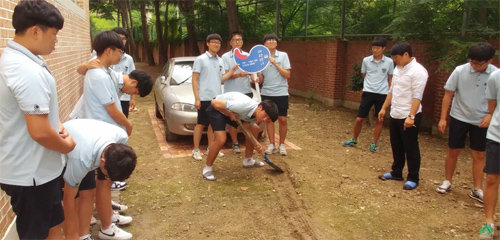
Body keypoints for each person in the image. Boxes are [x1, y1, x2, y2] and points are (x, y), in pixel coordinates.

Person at [0, 1, 76, 239]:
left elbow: (38, 119)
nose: (56, 41)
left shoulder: (23, 61)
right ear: (35, 30)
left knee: (54, 223)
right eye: (53, 34)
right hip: (31, 174)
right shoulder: (25, 69)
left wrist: (58, 126)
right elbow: (40, 132)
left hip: (39, 169)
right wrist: (68, 146)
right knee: (36, 232)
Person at [435, 42, 497, 204]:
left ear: (490, 61)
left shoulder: (496, 75)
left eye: (478, 63)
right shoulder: (460, 71)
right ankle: (447, 181)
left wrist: (491, 115)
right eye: (472, 62)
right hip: (459, 117)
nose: (474, 65)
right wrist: (443, 118)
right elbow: (448, 94)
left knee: (479, 154)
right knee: (453, 150)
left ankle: (477, 188)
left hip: (481, 120)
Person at [61, 119, 136, 240]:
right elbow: (67, 199)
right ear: (102, 162)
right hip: (63, 154)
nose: (108, 179)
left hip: (89, 139)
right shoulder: (81, 161)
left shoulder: (121, 137)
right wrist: (71, 236)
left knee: (89, 191)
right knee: (74, 198)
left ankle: (84, 236)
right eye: (107, 176)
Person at [377, 42, 428, 190]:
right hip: (395, 113)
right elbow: (391, 90)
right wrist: (383, 108)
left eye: (397, 58)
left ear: (406, 54)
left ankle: (413, 177)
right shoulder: (398, 69)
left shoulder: (419, 71)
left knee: (410, 146)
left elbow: (417, 96)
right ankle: (397, 171)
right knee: (396, 144)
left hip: (409, 114)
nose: (395, 61)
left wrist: (411, 116)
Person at [202, 92, 279, 180]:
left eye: (268, 119)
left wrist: (256, 144)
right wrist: (229, 113)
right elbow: (214, 102)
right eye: (265, 116)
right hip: (218, 109)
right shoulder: (243, 106)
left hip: (234, 113)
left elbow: (245, 128)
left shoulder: (255, 114)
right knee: (221, 139)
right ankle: (207, 168)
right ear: (260, 108)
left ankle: (248, 160)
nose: (264, 119)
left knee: (255, 128)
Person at [343, 37, 394, 152]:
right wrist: (369, 85)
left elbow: (390, 78)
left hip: (382, 93)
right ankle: (354, 139)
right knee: (359, 118)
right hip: (368, 92)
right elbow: (364, 74)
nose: (375, 50)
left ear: (383, 49)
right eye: (373, 48)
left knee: (379, 119)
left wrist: (389, 93)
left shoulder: (389, 62)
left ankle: (374, 143)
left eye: (378, 48)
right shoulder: (366, 60)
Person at [191, 33, 234, 160]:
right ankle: (196, 149)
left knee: (212, 125)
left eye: (218, 43)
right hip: (204, 97)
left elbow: (222, 79)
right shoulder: (200, 59)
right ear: (207, 43)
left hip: (216, 99)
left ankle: (211, 147)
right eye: (213, 42)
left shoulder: (220, 60)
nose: (216, 44)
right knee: (200, 124)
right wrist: (197, 98)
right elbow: (194, 80)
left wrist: (232, 71)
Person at [256, 33, 292, 156]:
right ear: (264, 44)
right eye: (268, 40)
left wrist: (275, 63)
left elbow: (287, 75)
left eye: (273, 40)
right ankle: (271, 144)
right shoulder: (261, 58)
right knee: (269, 119)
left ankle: (281, 144)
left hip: (281, 92)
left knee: (282, 119)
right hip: (266, 92)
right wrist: (257, 78)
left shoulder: (283, 56)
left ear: (277, 43)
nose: (271, 42)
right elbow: (261, 78)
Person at [221, 31, 255, 154]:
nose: (237, 42)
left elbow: (253, 72)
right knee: (233, 120)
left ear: (242, 42)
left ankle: (248, 142)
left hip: (246, 91)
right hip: (231, 93)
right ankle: (235, 143)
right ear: (230, 43)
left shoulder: (247, 55)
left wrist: (253, 77)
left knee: (247, 120)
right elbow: (224, 75)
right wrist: (238, 74)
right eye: (235, 40)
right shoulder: (225, 57)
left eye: (239, 40)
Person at [478, 69, 500, 240]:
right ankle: (488, 222)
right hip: (497, 135)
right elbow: (492, 105)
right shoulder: (496, 77)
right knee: (492, 178)